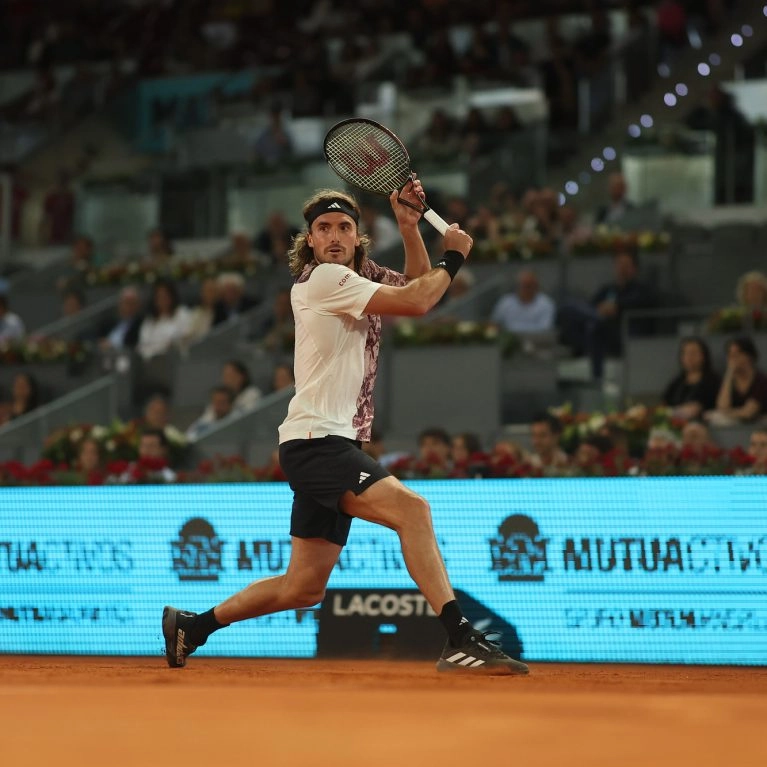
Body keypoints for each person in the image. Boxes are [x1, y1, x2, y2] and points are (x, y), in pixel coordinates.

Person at [162, 181, 528, 675]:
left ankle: (192, 626)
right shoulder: (324, 279)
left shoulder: (359, 277)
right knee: (413, 511)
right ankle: (460, 637)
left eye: (345, 227)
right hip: (319, 442)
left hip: (318, 443)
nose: (334, 235)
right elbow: (421, 300)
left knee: (303, 588)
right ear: (309, 241)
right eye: (323, 228)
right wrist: (455, 257)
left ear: (358, 237)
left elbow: (417, 287)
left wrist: (408, 228)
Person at [706, 336, 767, 425]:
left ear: (749, 356)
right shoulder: (729, 380)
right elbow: (722, 406)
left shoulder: (761, 380)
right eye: (730, 355)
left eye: (737, 354)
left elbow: (748, 412)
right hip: (734, 422)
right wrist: (729, 373)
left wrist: (726, 414)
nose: (733, 359)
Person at [662, 337, 721, 419]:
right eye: (685, 353)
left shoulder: (713, 381)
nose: (689, 357)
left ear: (703, 356)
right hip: (675, 422)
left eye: (693, 353)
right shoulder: (677, 382)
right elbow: (664, 404)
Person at [137, 279, 192, 360]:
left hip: (176, 360)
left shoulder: (182, 313)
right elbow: (143, 345)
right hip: (152, 363)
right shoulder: (149, 321)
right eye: (159, 296)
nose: (162, 300)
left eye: (165, 296)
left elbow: (186, 338)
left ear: (172, 297)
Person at [491, 269, 556, 334]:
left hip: (537, 341)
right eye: (522, 285)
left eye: (529, 286)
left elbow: (545, 329)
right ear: (517, 286)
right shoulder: (505, 302)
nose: (525, 289)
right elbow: (495, 324)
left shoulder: (546, 303)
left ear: (536, 286)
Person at [99, 286, 143, 351]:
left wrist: (112, 346)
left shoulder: (141, 324)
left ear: (137, 305)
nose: (128, 307)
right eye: (125, 302)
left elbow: (133, 346)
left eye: (131, 303)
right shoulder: (110, 321)